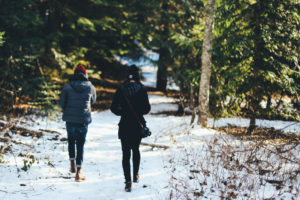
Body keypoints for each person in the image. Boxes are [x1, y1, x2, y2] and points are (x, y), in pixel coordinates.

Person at [110, 65, 151, 192]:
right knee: (136, 150)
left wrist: (122, 112)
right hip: (137, 126)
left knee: (125, 153)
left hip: (124, 125)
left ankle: (127, 181)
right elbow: (147, 109)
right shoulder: (142, 89)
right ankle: (136, 175)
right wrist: (138, 111)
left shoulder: (121, 89)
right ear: (137, 76)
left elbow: (113, 108)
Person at [59, 64, 96, 182]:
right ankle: (79, 173)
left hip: (70, 120)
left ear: (75, 74)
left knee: (71, 141)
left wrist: (67, 110)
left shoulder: (67, 86)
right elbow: (93, 101)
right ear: (85, 74)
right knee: (80, 145)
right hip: (83, 120)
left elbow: (61, 103)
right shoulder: (90, 87)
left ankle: (72, 165)